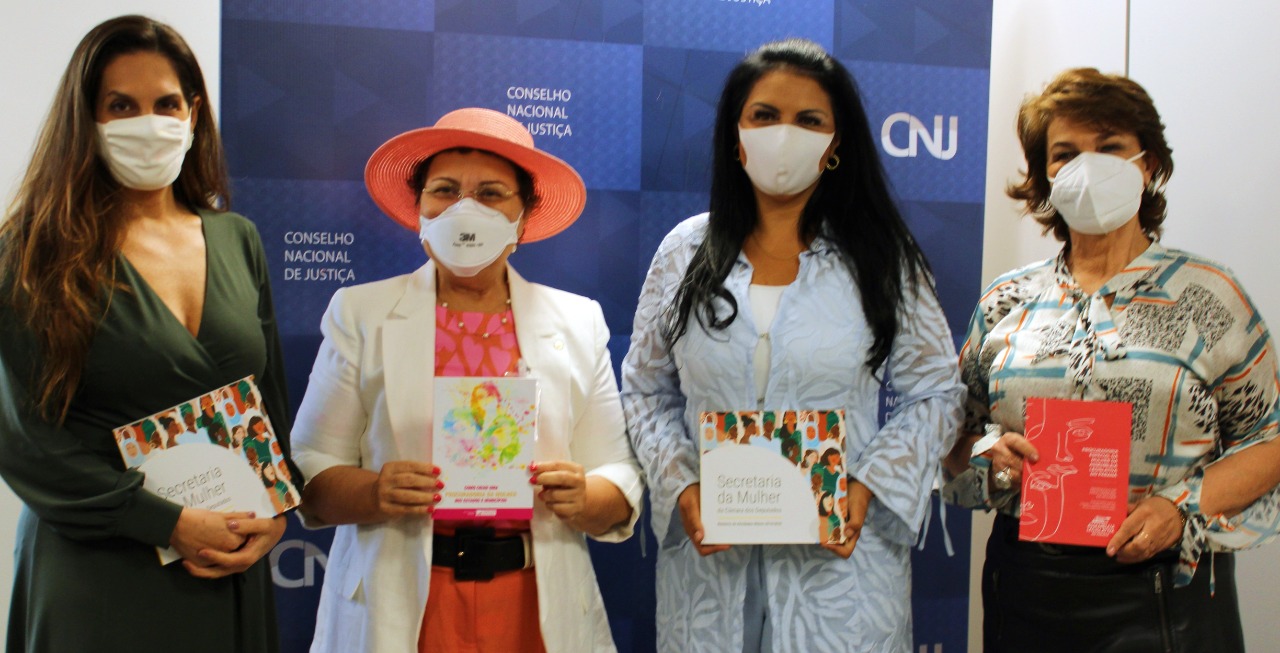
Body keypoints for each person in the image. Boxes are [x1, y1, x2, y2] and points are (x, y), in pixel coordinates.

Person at [621, 38, 964, 652]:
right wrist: (681, 483)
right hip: (709, 577)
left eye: (809, 120)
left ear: (835, 145)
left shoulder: (883, 257)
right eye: (764, 116)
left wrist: (868, 484)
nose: (785, 134)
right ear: (735, 136)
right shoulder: (682, 252)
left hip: (842, 580)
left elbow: (937, 392)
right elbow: (646, 390)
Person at [942, 68, 1280, 653]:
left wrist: (1181, 507)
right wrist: (985, 452)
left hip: (1167, 594)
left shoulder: (1207, 295)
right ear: (1045, 176)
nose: (1088, 167)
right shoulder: (1007, 301)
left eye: (1111, 147)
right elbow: (951, 434)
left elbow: (1269, 440)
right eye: (1065, 153)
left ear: (1148, 166)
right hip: (1027, 588)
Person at [290, 108, 644, 653]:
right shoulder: (360, 313)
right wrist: (374, 492)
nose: (465, 208)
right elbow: (311, 468)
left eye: (491, 193)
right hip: (398, 602)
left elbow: (617, 473)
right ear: (420, 208)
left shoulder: (578, 321)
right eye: (445, 190)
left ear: (524, 216)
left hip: (535, 606)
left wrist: (585, 496)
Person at [0, 15, 299, 653]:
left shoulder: (237, 239)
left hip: (226, 563)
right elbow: (25, 443)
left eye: (165, 104)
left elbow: (268, 401)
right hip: (98, 573)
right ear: (87, 119)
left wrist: (276, 511)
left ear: (193, 113)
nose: (148, 122)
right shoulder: (31, 252)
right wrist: (165, 522)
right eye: (121, 106)